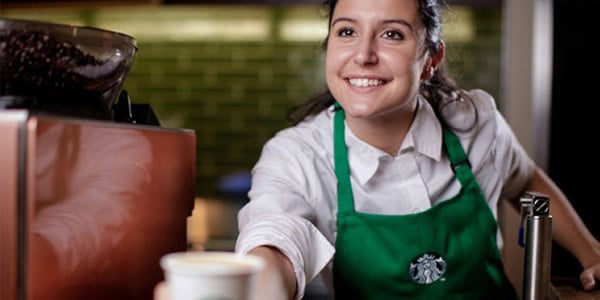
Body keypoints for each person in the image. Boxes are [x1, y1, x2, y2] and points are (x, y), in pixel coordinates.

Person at [155, 0, 600, 299]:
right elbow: (275, 239)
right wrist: (248, 289)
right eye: (346, 31)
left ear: (430, 59)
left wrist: (591, 253)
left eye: (391, 35)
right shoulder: (299, 154)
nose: (363, 54)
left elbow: (525, 181)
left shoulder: (475, 122)